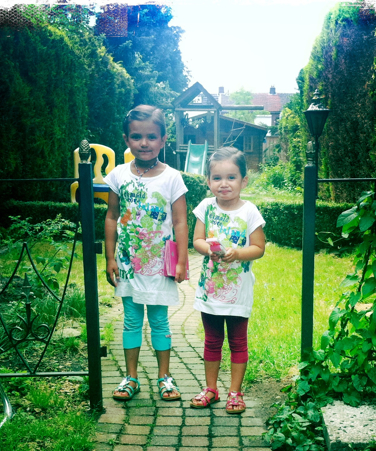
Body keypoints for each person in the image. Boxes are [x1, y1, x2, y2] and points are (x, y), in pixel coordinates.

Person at [104, 105, 188, 402]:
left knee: (160, 321)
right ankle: (131, 377)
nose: (144, 143)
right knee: (131, 321)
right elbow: (112, 216)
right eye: (137, 136)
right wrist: (110, 258)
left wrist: (182, 261)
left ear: (163, 139)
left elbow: (180, 221)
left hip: (160, 266)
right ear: (126, 139)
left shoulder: (172, 178)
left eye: (151, 137)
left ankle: (165, 377)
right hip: (128, 265)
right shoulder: (117, 175)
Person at [191, 147, 266, 414]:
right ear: (208, 181)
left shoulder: (250, 211)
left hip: (238, 292)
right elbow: (197, 240)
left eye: (231, 177)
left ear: (244, 181)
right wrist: (208, 249)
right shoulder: (205, 207)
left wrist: (238, 253)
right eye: (217, 178)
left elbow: (259, 247)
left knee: (237, 342)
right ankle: (211, 389)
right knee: (212, 341)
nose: (224, 184)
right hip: (210, 290)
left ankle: (235, 392)